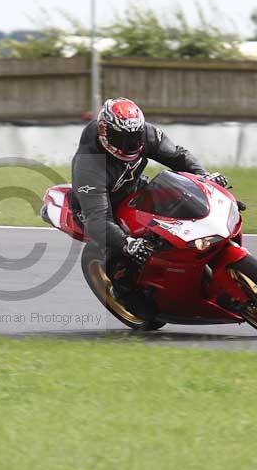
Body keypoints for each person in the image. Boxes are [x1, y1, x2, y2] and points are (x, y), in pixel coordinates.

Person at [71, 97, 229, 314]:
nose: (131, 144)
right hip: (99, 209)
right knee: (126, 253)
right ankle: (126, 295)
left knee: (179, 197)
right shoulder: (89, 165)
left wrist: (204, 178)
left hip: (132, 187)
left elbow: (178, 156)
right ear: (105, 131)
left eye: (134, 136)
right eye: (122, 137)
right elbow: (97, 219)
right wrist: (127, 243)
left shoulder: (145, 133)